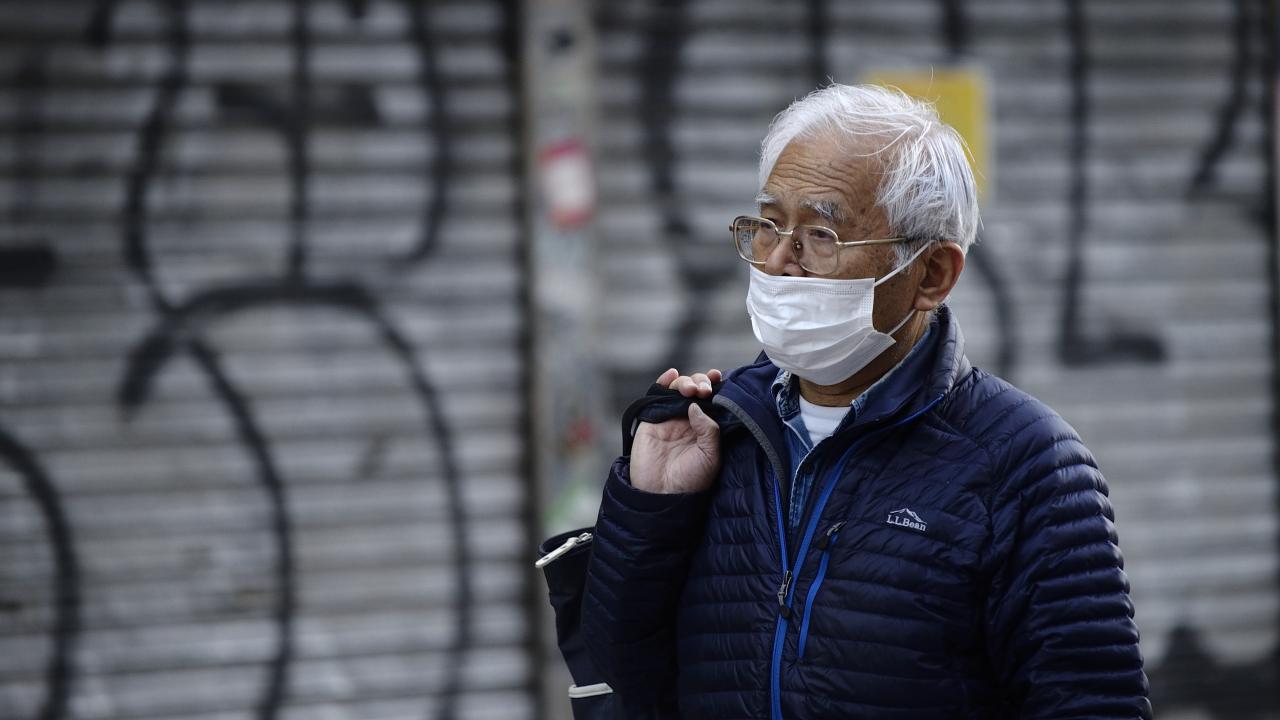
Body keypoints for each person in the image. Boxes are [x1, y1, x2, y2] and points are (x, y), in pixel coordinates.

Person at [579, 84, 1151, 719]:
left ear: (931, 274)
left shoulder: (1026, 465)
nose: (779, 261)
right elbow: (619, 677)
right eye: (768, 224)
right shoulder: (716, 430)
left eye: (821, 235)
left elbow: (1095, 705)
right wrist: (649, 509)